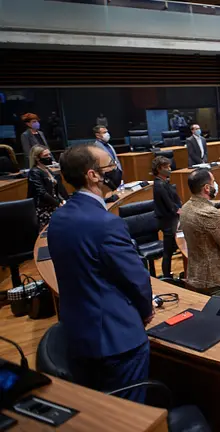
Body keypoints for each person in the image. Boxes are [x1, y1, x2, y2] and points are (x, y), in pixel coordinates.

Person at [48, 143, 153, 403]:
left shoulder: (58, 218)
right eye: (111, 166)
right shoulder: (106, 224)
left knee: (101, 412)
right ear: (93, 175)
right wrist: (146, 309)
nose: (117, 170)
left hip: (78, 332)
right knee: (130, 417)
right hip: (118, 340)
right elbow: (136, 278)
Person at [179, 168, 220, 295]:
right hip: (215, 279)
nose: (216, 185)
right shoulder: (210, 214)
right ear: (206, 188)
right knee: (219, 314)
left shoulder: (185, 208)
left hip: (195, 275)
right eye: (214, 182)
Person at [152, 156, 181, 279]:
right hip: (168, 222)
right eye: (166, 167)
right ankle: (167, 276)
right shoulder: (159, 185)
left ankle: (167, 275)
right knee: (168, 251)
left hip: (171, 219)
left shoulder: (164, 182)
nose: (169, 169)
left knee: (170, 249)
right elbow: (170, 206)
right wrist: (180, 211)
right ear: (159, 169)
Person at [27, 145, 68, 230]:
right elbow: (42, 193)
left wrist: (62, 201)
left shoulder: (47, 170)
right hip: (44, 209)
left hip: (54, 205)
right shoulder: (34, 172)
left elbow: (56, 190)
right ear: (37, 158)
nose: (49, 157)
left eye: (49, 154)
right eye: (45, 156)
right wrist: (58, 204)